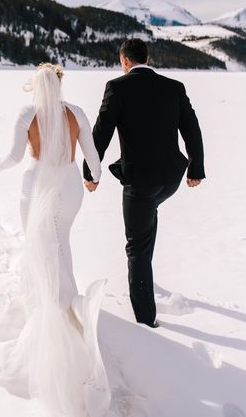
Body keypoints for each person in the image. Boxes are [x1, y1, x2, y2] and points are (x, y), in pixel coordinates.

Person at [0, 63, 144, 417]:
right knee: (60, 245)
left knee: (41, 249)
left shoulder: (27, 113)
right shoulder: (77, 113)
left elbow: (15, 157)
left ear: (37, 85)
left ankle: (54, 312)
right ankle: (67, 305)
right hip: (69, 188)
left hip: (38, 187)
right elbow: (92, 155)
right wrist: (95, 176)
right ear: (61, 84)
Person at [83, 38, 205, 328]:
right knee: (148, 219)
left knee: (136, 247)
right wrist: (196, 168)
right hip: (170, 179)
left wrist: (90, 173)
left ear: (125, 61)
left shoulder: (117, 87)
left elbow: (101, 133)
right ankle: (146, 279)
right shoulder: (174, 87)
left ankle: (145, 323)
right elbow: (192, 129)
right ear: (147, 59)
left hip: (141, 182)